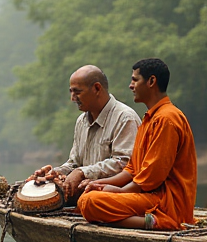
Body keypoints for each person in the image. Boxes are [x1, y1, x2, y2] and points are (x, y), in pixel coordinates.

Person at [77, 58, 197, 230]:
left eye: (135, 80)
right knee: (89, 196)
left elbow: (151, 177)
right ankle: (146, 219)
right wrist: (104, 183)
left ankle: (163, 222)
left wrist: (121, 192)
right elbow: (133, 169)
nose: (130, 86)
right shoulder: (149, 118)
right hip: (149, 196)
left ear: (151, 81)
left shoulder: (167, 119)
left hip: (167, 202)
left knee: (90, 202)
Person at [30, 65, 141, 205]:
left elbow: (125, 164)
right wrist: (55, 173)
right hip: (85, 195)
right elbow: (74, 163)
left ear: (97, 88)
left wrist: (82, 173)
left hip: (112, 198)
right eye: (71, 92)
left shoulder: (125, 118)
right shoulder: (81, 121)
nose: (73, 98)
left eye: (77, 92)